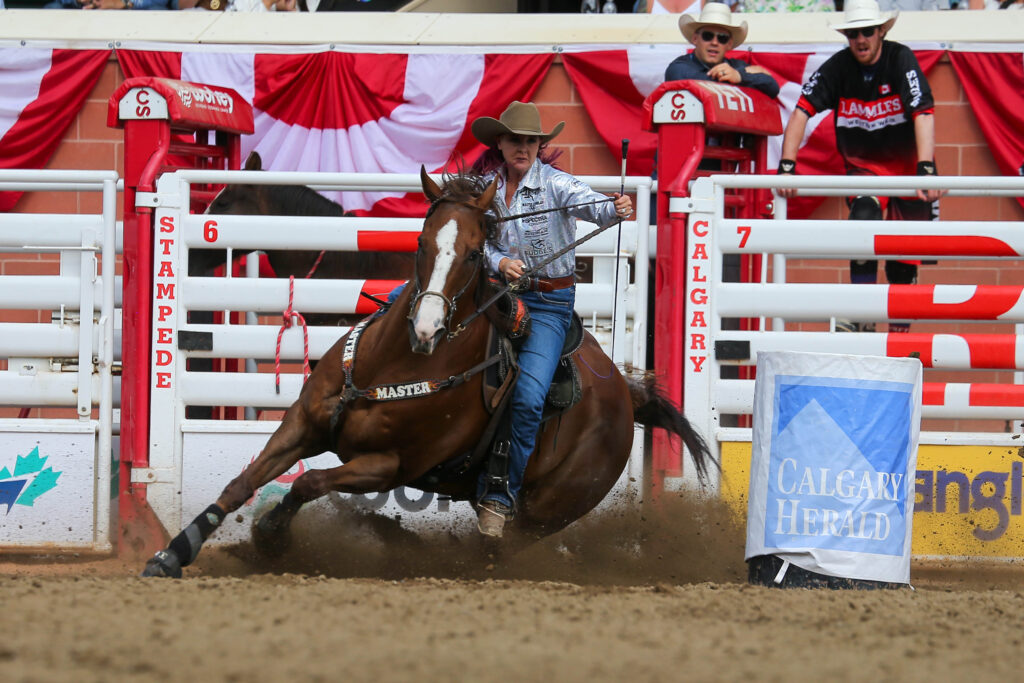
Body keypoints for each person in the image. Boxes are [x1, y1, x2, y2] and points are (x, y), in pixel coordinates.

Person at [469, 101, 632, 538]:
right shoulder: (484, 189)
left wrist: (614, 207)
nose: (522, 147)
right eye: (514, 140)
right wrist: (500, 261)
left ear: (539, 146)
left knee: (527, 397)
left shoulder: (559, 185)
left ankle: (500, 497)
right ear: (500, 144)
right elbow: (475, 242)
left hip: (546, 306)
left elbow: (593, 207)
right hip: (495, 294)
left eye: (529, 141)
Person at [777, 0, 943, 333]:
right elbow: (802, 110)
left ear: (881, 31)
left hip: (910, 171)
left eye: (867, 31)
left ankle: (899, 337)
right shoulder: (838, 67)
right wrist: (786, 165)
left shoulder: (901, 59)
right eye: (853, 33)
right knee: (863, 221)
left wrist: (925, 167)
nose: (861, 39)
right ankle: (861, 314)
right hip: (865, 170)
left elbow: (923, 111)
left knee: (902, 261)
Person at [664, 2, 780, 99]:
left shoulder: (735, 66)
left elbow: (772, 87)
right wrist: (737, 77)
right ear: (695, 39)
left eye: (722, 38)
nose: (714, 42)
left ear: (729, 44)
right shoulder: (678, 67)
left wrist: (739, 76)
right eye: (707, 36)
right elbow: (704, 84)